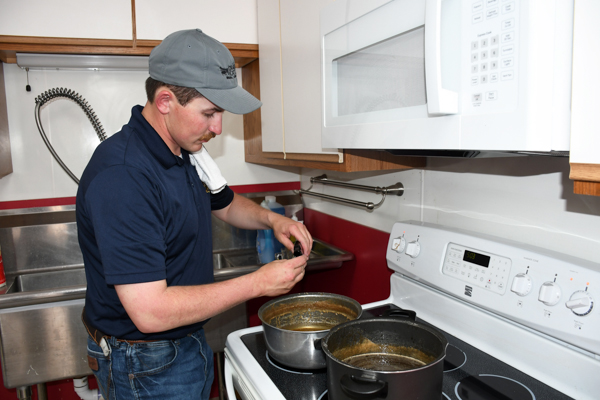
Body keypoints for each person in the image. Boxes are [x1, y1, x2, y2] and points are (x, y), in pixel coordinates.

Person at [76, 28, 312, 400]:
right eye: (209, 113)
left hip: (185, 340)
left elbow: (225, 203)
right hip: (144, 362)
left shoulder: (183, 149)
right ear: (165, 101)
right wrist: (257, 284)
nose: (217, 128)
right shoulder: (124, 176)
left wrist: (273, 220)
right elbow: (150, 312)